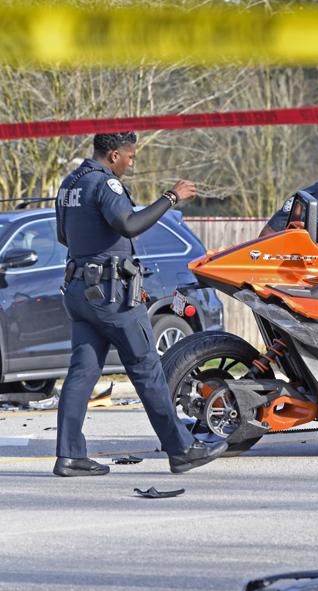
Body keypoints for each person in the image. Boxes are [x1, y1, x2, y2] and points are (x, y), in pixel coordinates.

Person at [53, 132, 227, 477]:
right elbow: (129, 225)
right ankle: (182, 451)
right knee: (148, 370)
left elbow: (63, 236)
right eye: (130, 157)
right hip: (111, 295)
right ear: (114, 154)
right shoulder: (106, 185)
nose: (132, 163)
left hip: (78, 291)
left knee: (82, 373)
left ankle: (69, 456)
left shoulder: (70, 183)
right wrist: (170, 197)